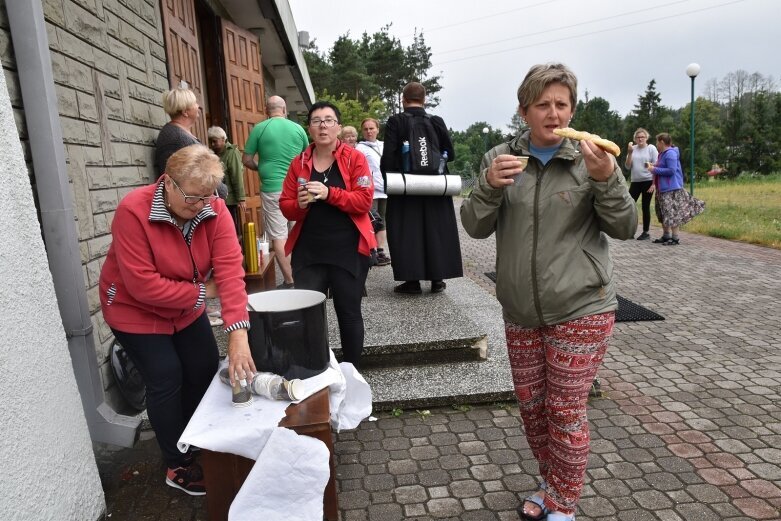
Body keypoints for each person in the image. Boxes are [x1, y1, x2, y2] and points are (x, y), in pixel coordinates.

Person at [460, 63, 637, 521]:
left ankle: (564, 504)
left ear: (572, 109)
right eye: (543, 104)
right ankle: (552, 483)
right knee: (533, 409)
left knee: (564, 408)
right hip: (520, 308)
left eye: (562, 104)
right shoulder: (500, 158)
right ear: (524, 111)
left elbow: (625, 226)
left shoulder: (590, 157)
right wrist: (487, 187)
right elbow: (474, 228)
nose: (554, 113)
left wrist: (607, 180)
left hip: (582, 304)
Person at [100, 144, 255, 496]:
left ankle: (193, 436)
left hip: (185, 307)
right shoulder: (133, 211)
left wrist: (238, 333)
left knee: (202, 368)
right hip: (133, 309)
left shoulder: (213, 208)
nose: (201, 205)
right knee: (166, 375)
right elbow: (142, 285)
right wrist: (203, 292)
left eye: (208, 197)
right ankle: (176, 462)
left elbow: (230, 273)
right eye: (193, 198)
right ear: (167, 182)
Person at [279, 101, 376, 367]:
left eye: (329, 120)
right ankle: (315, 369)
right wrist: (298, 205)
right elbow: (286, 206)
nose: (323, 126)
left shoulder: (354, 158)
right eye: (316, 121)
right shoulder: (298, 163)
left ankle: (352, 371)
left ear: (338, 126)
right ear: (309, 128)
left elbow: (364, 201)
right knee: (308, 314)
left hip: (348, 250)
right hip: (309, 251)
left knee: (349, 313)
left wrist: (329, 193)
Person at [380, 82, 462, 294]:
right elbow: (450, 154)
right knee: (437, 230)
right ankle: (437, 279)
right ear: (424, 100)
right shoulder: (436, 121)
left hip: (406, 187)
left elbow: (388, 156)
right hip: (435, 186)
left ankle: (412, 281)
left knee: (407, 232)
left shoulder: (396, 121)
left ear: (403, 100)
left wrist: (390, 179)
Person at [242, 95, 309, 288]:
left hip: (272, 190)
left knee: (279, 236)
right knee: (300, 231)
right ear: (285, 109)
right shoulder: (297, 129)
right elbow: (308, 156)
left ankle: (290, 281)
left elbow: (246, 159)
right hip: (298, 188)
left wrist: (260, 167)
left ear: (266, 110)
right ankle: (305, 276)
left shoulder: (260, 129)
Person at [648, 133, 706, 245]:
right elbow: (662, 166)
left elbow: (671, 170)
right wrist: (654, 165)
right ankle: (666, 235)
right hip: (662, 188)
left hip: (671, 189)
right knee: (663, 213)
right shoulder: (662, 154)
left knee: (672, 213)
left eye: (657, 142)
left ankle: (675, 238)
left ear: (662, 142)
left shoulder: (670, 154)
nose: (656, 145)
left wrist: (654, 169)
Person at [356, 117, 391, 266]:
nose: (369, 131)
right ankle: (371, 250)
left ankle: (381, 250)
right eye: (366, 129)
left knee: (383, 221)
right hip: (370, 191)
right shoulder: (360, 148)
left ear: (377, 129)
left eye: (372, 128)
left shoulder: (385, 145)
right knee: (371, 221)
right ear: (362, 131)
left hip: (386, 188)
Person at [154, 84, 200, 179]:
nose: (198, 106)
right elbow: (200, 175)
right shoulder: (179, 138)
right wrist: (224, 191)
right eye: (195, 103)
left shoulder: (177, 132)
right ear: (185, 112)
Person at [207, 126, 246, 232]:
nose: (212, 144)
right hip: (217, 197)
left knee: (231, 226)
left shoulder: (231, 152)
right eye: (211, 141)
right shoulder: (213, 153)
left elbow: (236, 175)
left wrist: (241, 198)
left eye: (215, 141)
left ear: (223, 139)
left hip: (230, 199)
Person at [624, 127, 658, 240]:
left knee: (645, 206)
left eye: (642, 137)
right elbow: (627, 166)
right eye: (638, 137)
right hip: (635, 181)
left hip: (648, 180)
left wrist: (654, 184)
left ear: (646, 137)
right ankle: (630, 230)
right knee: (630, 205)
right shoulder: (632, 149)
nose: (640, 139)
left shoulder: (651, 148)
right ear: (635, 139)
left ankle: (646, 232)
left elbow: (657, 165)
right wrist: (629, 154)